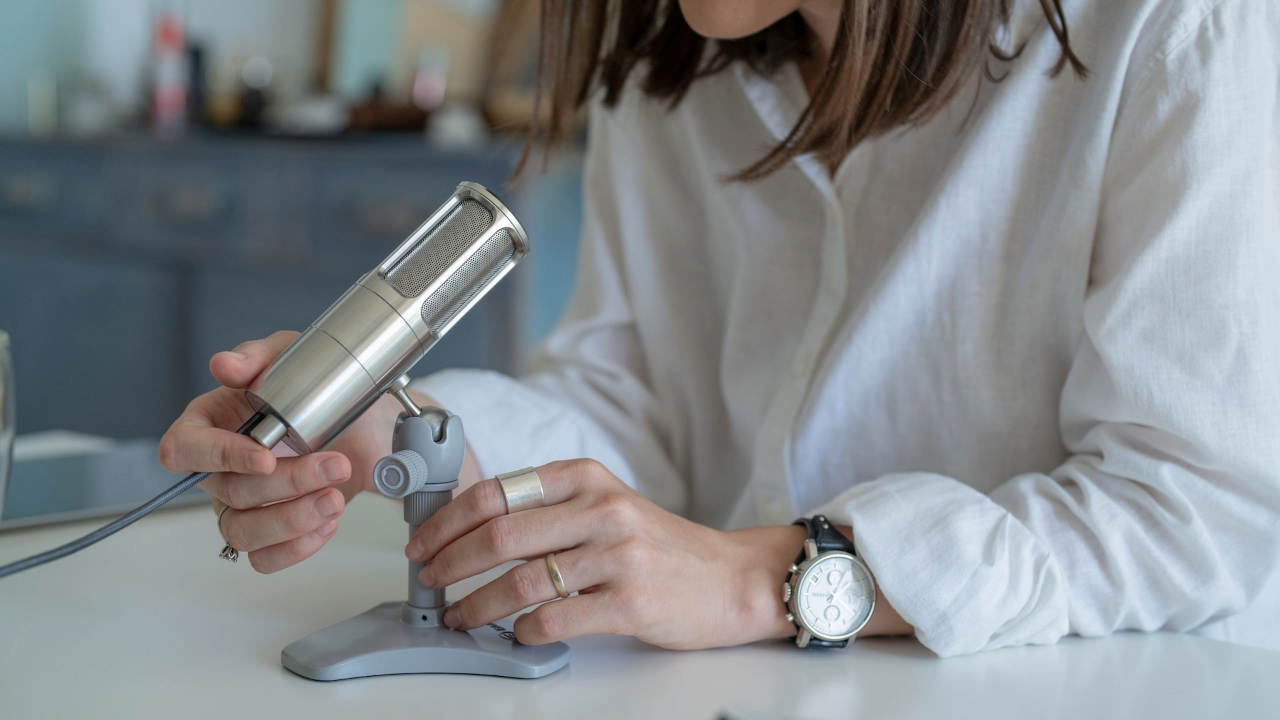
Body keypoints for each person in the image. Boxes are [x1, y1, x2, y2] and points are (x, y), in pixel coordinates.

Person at [159, 0, 1280, 657]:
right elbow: (634, 401)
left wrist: (772, 581)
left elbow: (1193, 511)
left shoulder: (1174, 32)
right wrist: (398, 436)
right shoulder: (672, 64)